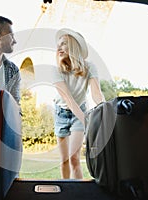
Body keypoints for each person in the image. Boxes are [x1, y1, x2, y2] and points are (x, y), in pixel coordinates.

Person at [52, 28, 105, 179]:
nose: (58, 47)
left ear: (74, 46)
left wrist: (104, 114)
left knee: (74, 158)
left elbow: (96, 94)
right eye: (58, 45)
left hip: (80, 110)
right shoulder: (55, 70)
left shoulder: (90, 67)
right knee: (64, 160)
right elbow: (68, 99)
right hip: (61, 112)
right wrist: (87, 121)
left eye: (63, 44)